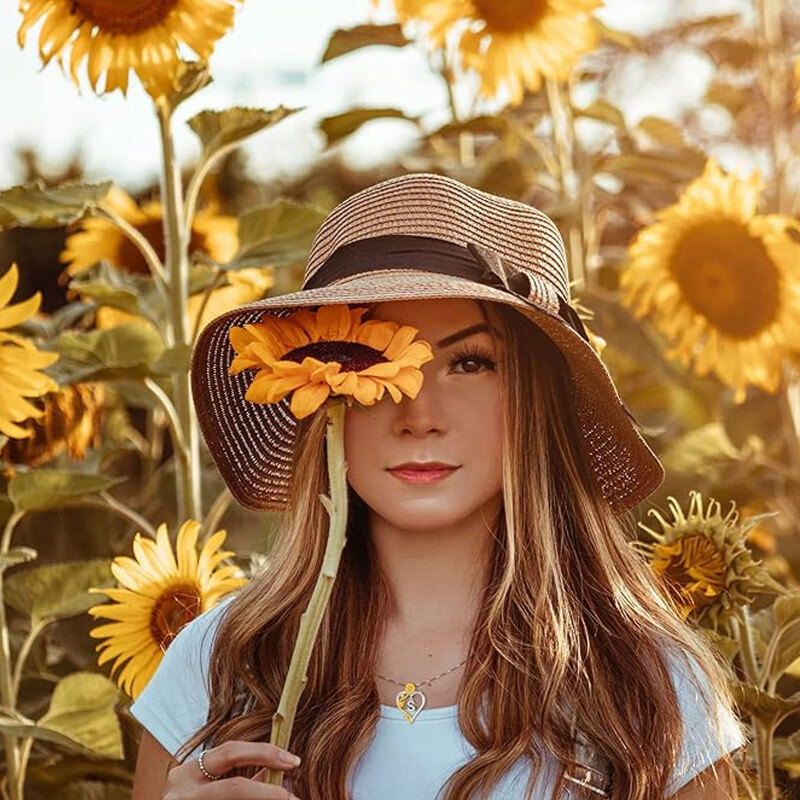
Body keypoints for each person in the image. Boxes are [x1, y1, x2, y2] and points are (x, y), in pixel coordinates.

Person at [129, 173, 747, 800]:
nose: (418, 415)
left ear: (535, 396)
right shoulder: (220, 662)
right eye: (372, 365)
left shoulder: (647, 682)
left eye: (470, 362)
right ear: (317, 392)